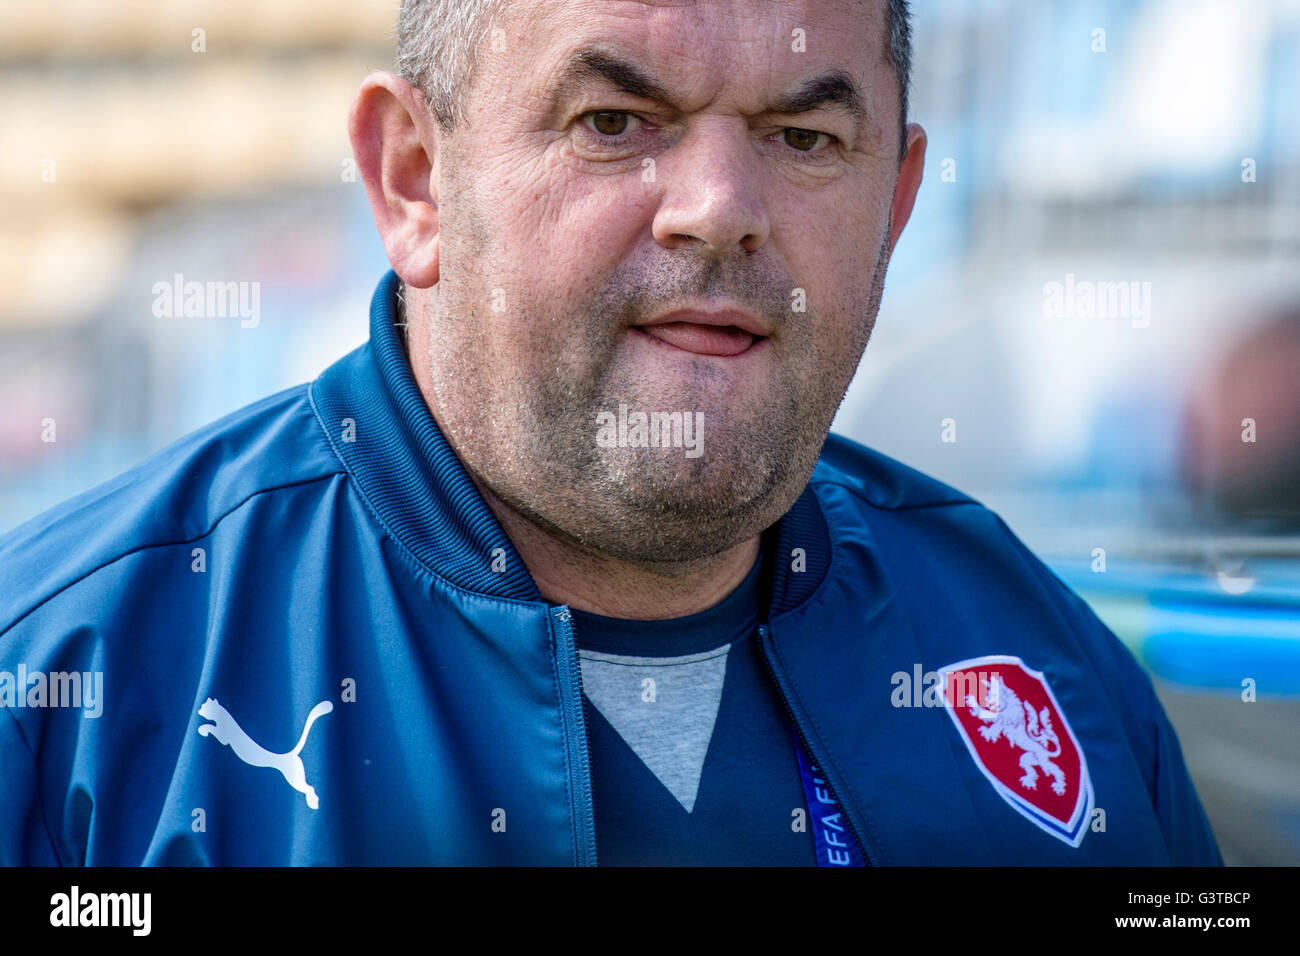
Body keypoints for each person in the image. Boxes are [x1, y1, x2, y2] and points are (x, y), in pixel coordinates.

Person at [0, 0, 1221, 865]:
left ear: (895, 207)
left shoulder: (1048, 662)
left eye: (803, 139)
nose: (717, 212)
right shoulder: (68, 689)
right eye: (614, 121)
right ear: (415, 181)